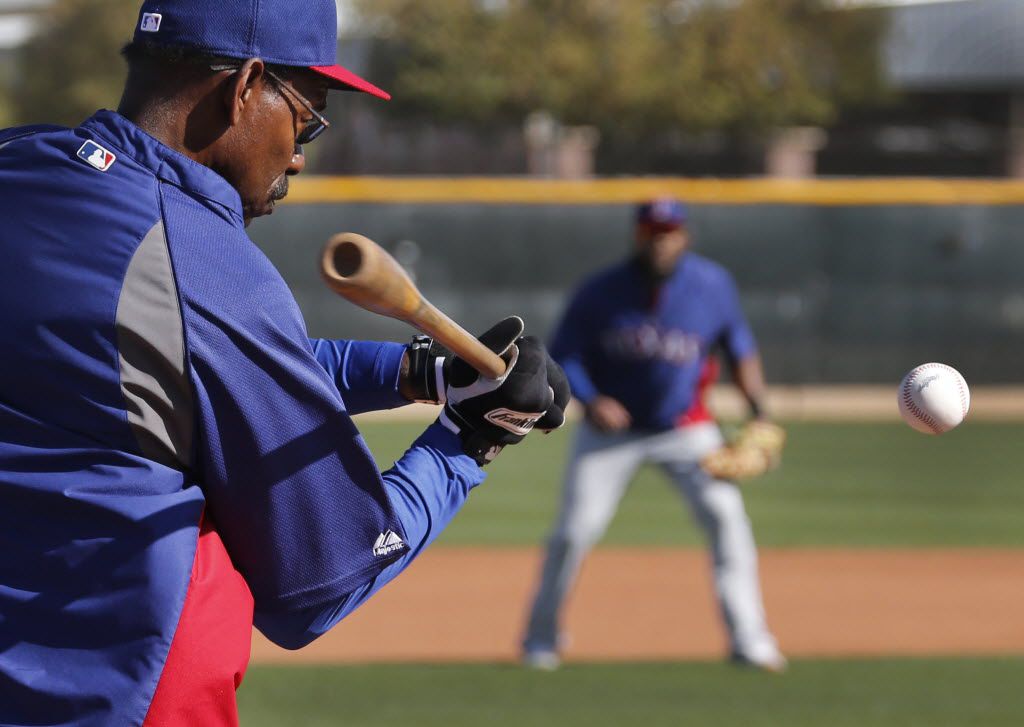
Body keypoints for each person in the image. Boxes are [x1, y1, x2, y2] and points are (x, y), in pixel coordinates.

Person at [0, 1, 568, 724]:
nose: (300, 152)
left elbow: (186, 367)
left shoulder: (16, 161)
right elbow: (320, 585)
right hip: (115, 693)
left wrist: (418, 374)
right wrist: (468, 439)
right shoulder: (206, 266)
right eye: (308, 116)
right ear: (247, 85)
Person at [521, 197, 785, 672]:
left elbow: (739, 348)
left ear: (684, 235)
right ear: (638, 235)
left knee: (728, 523)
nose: (661, 240)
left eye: (670, 231)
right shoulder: (600, 291)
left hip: (686, 428)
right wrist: (590, 398)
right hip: (610, 435)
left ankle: (750, 640)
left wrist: (759, 413)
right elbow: (564, 357)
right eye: (652, 231)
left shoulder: (712, 285)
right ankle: (540, 640)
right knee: (573, 532)